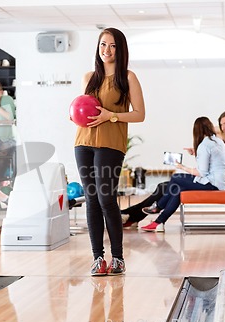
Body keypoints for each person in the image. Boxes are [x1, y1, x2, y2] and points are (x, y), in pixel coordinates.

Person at [74, 28, 145, 276]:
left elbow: (139, 114)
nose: (106, 50)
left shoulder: (128, 77)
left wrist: (110, 116)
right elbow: (84, 108)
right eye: (103, 44)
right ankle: (97, 258)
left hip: (110, 144)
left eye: (112, 45)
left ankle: (118, 257)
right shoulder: (88, 78)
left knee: (106, 198)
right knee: (91, 199)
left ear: (120, 49)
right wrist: (74, 114)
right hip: (83, 143)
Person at [121, 110, 225, 227]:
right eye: (221, 124)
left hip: (213, 183)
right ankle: (154, 221)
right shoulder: (223, 142)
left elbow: (219, 168)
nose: (223, 128)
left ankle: (142, 212)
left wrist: (184, 166)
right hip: (214, 180)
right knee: (172, 188)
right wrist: (199, 153)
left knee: (170, 184)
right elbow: (216, 162)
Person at [141, 116, 225, 232]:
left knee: (176, 177)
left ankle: (158, 206)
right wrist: (196, 152)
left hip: (213, 184)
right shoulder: (218, 141)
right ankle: (158, 222)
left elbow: (201, 173)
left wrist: (182, 167)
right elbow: (212, 160)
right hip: (220, 183)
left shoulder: (205, 145)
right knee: (178, 189)